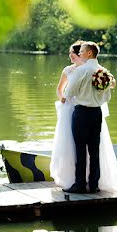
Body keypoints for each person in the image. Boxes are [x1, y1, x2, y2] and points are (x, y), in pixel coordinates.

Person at [61, 41, 116, 193]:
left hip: (82, 113)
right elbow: (107, 97)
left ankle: (79, 184)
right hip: (96, 113)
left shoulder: (81, 70)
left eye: (82, 51)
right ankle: (93, 185)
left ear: (89, 53)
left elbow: (69, 92)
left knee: (80, 149)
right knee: (94, 150)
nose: (79, 54)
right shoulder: (104, 72)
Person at [50, 42, 85, 189]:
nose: (70, 55)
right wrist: (62, 97)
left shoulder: (87, 70)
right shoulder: (67, 70)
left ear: (80, 54)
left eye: (72, 52)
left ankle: (85, 177)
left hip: (84, 108)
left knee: (83, 144)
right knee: (67, 143)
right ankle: (69, 177)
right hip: (69, 109)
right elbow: (59, 89)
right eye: (70, 52)